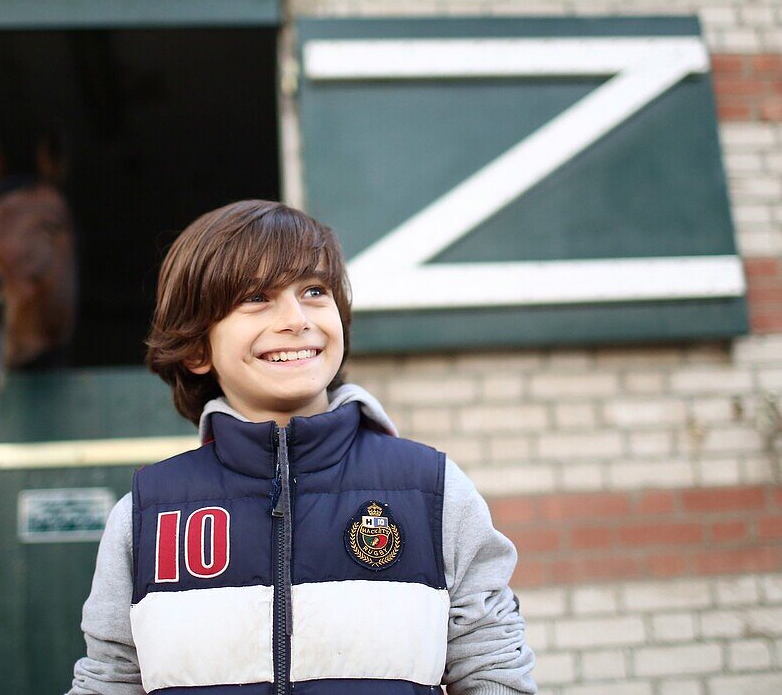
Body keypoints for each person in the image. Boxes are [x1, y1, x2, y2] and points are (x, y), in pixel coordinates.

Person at [68, 200, 537, 695]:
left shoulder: (434, 491)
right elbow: (109, 681)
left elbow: (493, 670)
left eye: (314, 290)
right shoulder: (144, 516)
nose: (295, 318)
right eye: (256, 297)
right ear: (197, 348)